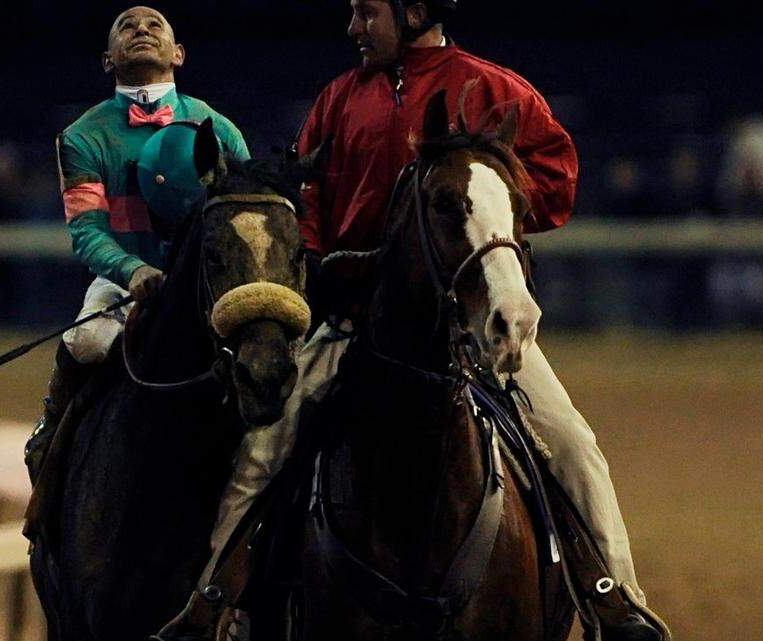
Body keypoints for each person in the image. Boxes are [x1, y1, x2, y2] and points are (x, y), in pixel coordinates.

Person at [157, 2, 670, 640]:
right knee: (261, 451)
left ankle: (616, 599)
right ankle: (212, 605)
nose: (352, 28)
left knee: (571, 442)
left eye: (365, 13)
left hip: (473, 329)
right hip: (349, 323)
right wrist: (322, 259)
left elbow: (554, 179)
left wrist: (478, 208)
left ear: (415, 10)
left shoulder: (495, 88)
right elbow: (307, 200)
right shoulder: (339, 98)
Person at [23, 5, 249, 480]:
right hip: (125, 288)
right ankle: (49, 448)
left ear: (179, 54)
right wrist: (134, 271)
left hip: (211, 285)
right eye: (127, 26)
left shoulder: (221, 129)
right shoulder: (82, 136)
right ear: (108, 59)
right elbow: (86, 232)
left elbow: (245, 217)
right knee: (84, 339)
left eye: (154, 26)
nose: (141, 29)